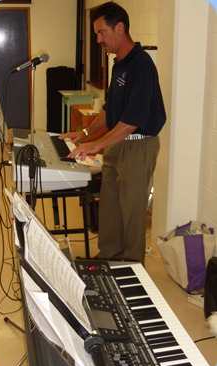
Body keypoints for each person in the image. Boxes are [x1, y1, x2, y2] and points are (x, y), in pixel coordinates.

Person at [60, 2, 166, 265]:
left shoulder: (141, 66)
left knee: (131, 214)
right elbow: (110, 112)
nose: (98, 40)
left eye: (101, 33)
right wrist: (83, 134)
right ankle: (107, 260)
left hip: (138, 146)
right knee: (109, 210)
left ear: (119, 28)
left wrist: (95, 146)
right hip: (117, 144)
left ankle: (131, 269)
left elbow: (131, 123)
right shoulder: (119, 64)